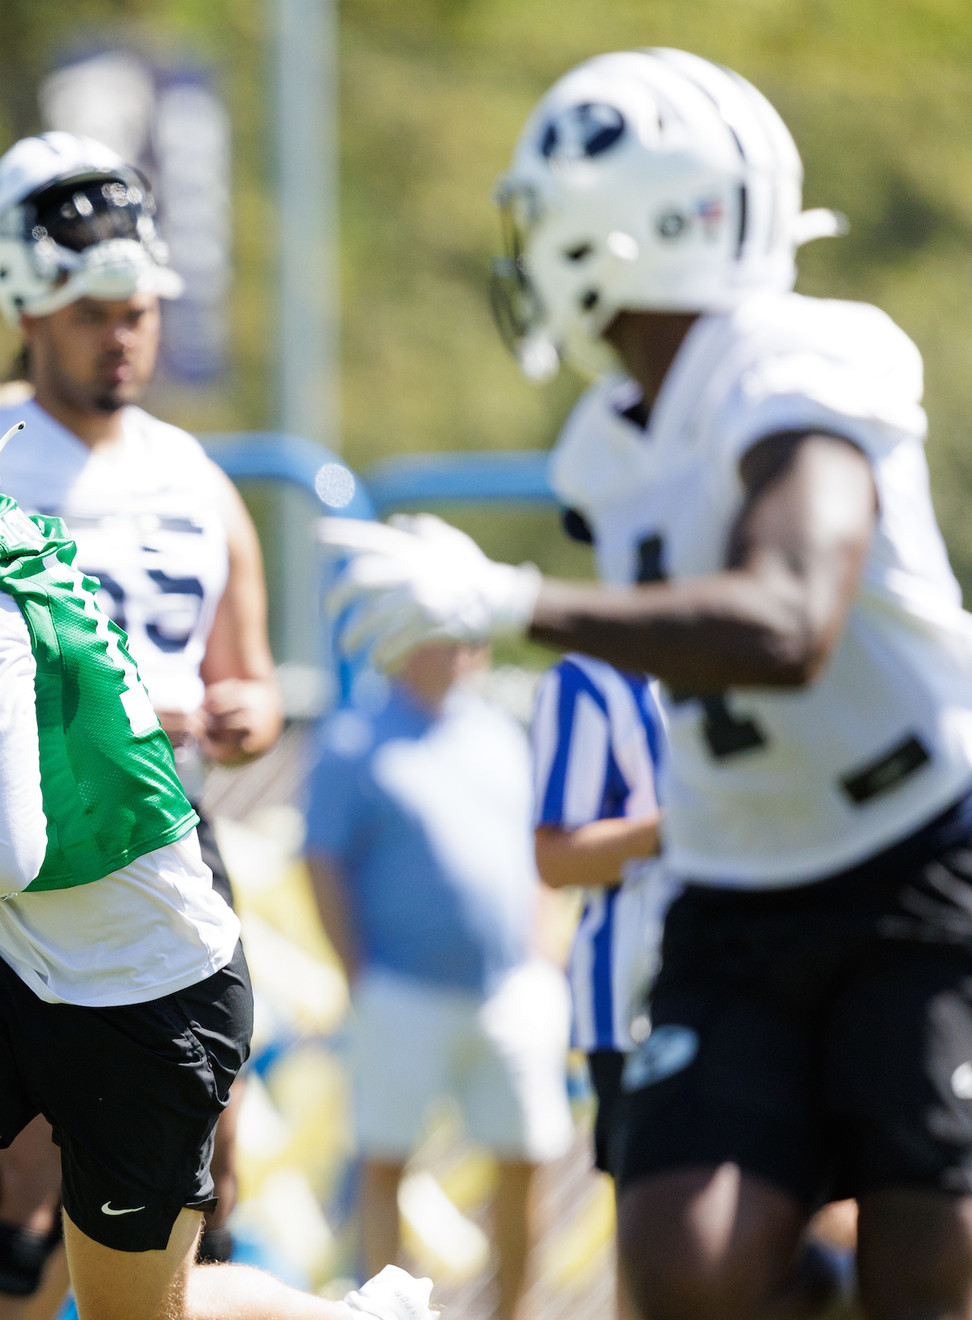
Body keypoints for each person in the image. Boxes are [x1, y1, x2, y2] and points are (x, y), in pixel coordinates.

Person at [323, 47, 972, 1320]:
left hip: (918, 863)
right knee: (681, 1268)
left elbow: (788, 623)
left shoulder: (806, 360)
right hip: (737, 885)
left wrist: (514, 604)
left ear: (635, 226)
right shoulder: (610, 441)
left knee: (930, 1265)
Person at [0, 305, 432, 1320]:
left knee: (137, 1310)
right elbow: (31, 739)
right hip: (12, 955)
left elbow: (0, 847)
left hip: (142, 988)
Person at [0, 131, 285, 1320]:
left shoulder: (196, 476)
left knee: (200, 1188)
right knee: (20, 1188)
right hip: (21, 855)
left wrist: (235, 715)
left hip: (168, 851)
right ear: (29, 306)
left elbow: (256, 688)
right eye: (91, 311)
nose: (124, 334)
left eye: (139, 308)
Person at [302, 640, 572, 1320]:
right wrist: (358, 974)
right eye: (445, 634)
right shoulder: (353, 739)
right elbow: (323, 860)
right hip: (399, 991)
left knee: (524, 1160)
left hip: (511, 990)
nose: (465, 650)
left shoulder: (500, 734)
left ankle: (514, 1313)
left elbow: (539, 843)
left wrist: (541, 952)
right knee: (385, 1161)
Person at [528, 653, 669, 1320]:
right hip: (637, 1001)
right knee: (657, 1229)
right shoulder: (591, 681)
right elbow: (555, 855)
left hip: (781, 973)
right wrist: (693, 821)